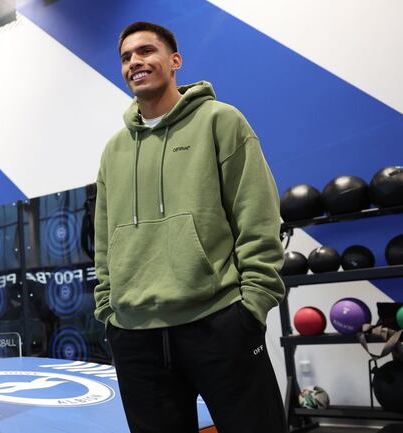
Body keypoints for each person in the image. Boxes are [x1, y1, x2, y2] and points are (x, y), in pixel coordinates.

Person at [94, 22, 286, 433]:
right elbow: (104, 239)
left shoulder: (221, 121)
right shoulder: (114, 150)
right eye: (126, 57)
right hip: (135, 334)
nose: (135, 63)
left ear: (174, 61)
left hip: (218, 322)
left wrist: (252, 307)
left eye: (146, 51)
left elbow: (259, 217)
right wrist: (109, 309)